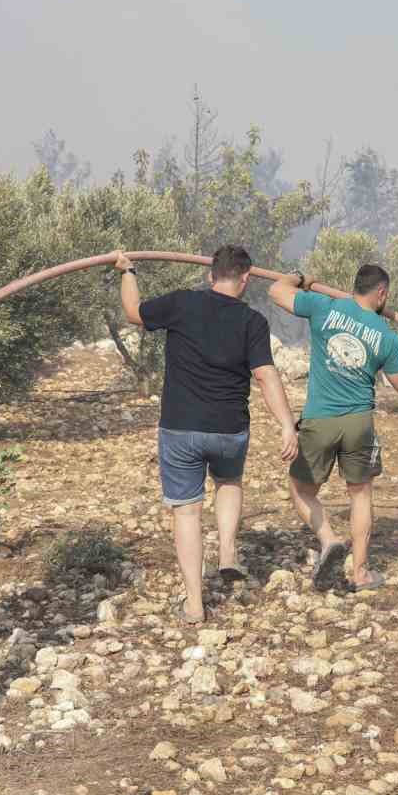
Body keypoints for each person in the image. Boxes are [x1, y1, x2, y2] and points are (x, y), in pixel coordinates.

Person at [116, 245, 298, 624]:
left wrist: (127, 271)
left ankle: (195, 604)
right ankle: (227, 551)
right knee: (229, 481)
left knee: (187, 511)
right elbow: (265, 376)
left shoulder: (183, 303)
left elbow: (133, 312)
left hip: (181, 427)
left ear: (210, 275)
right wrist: (285, 424)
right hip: (230, 429)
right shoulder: (252, 321)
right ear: (245, 279)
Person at [269, 264, 398, 592]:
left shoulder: (324, 306)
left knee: (301, 490)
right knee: (360, 493)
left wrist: (302, 279)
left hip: (320, 419)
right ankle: (360, 573)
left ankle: (329, 539)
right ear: (381, 293)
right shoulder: (387, 337)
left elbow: (277, 291)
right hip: (359, 424)